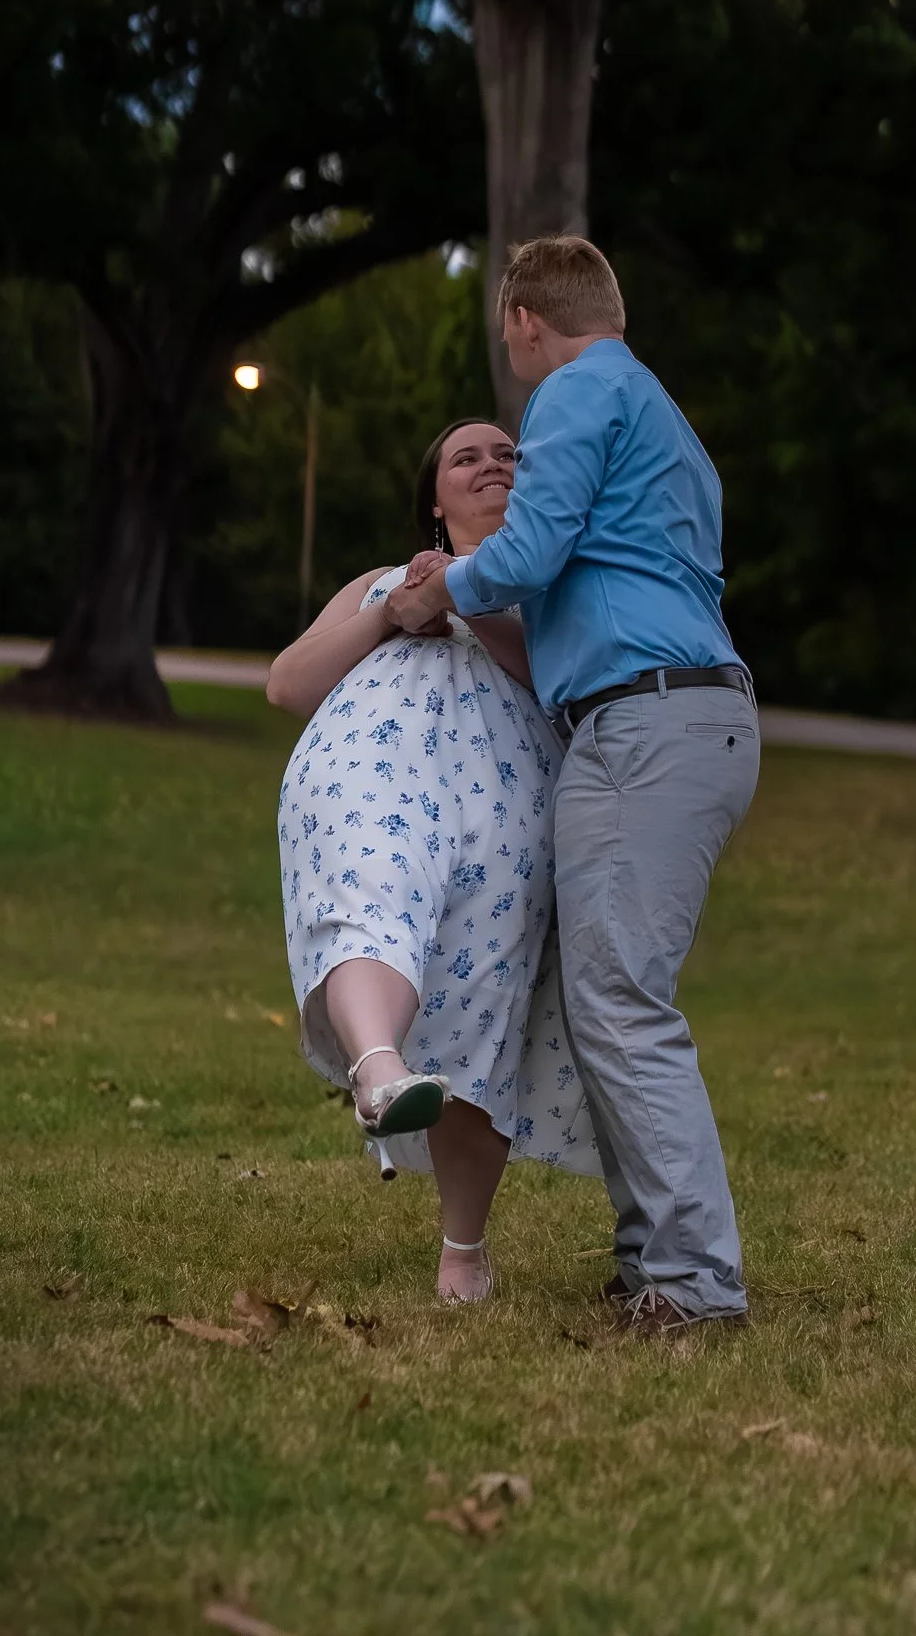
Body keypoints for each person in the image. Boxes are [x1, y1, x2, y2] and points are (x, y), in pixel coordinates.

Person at [388, 236, 759, 1338]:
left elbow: (531, 550)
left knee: (619, 1001)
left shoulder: (574, 390)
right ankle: (653, 1253)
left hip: (643, 721)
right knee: (611, 996)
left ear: (523, 322)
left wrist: (434, 593)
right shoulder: (661, 418)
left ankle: (694, 1282)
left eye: (508, 334)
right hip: (681, 714)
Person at [268, 419, 597, 1304]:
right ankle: (377, 1067)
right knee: (369, 895)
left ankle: (463, 1249)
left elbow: (567, 689)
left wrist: (467, 601)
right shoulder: (381, 581)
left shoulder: (560, 590)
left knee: (484, 999)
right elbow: (288, 685)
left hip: (507, 801)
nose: (492, 465)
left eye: (507, 456)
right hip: (374, 769)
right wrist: (393, 609)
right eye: (467, 458)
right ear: (433, 504)